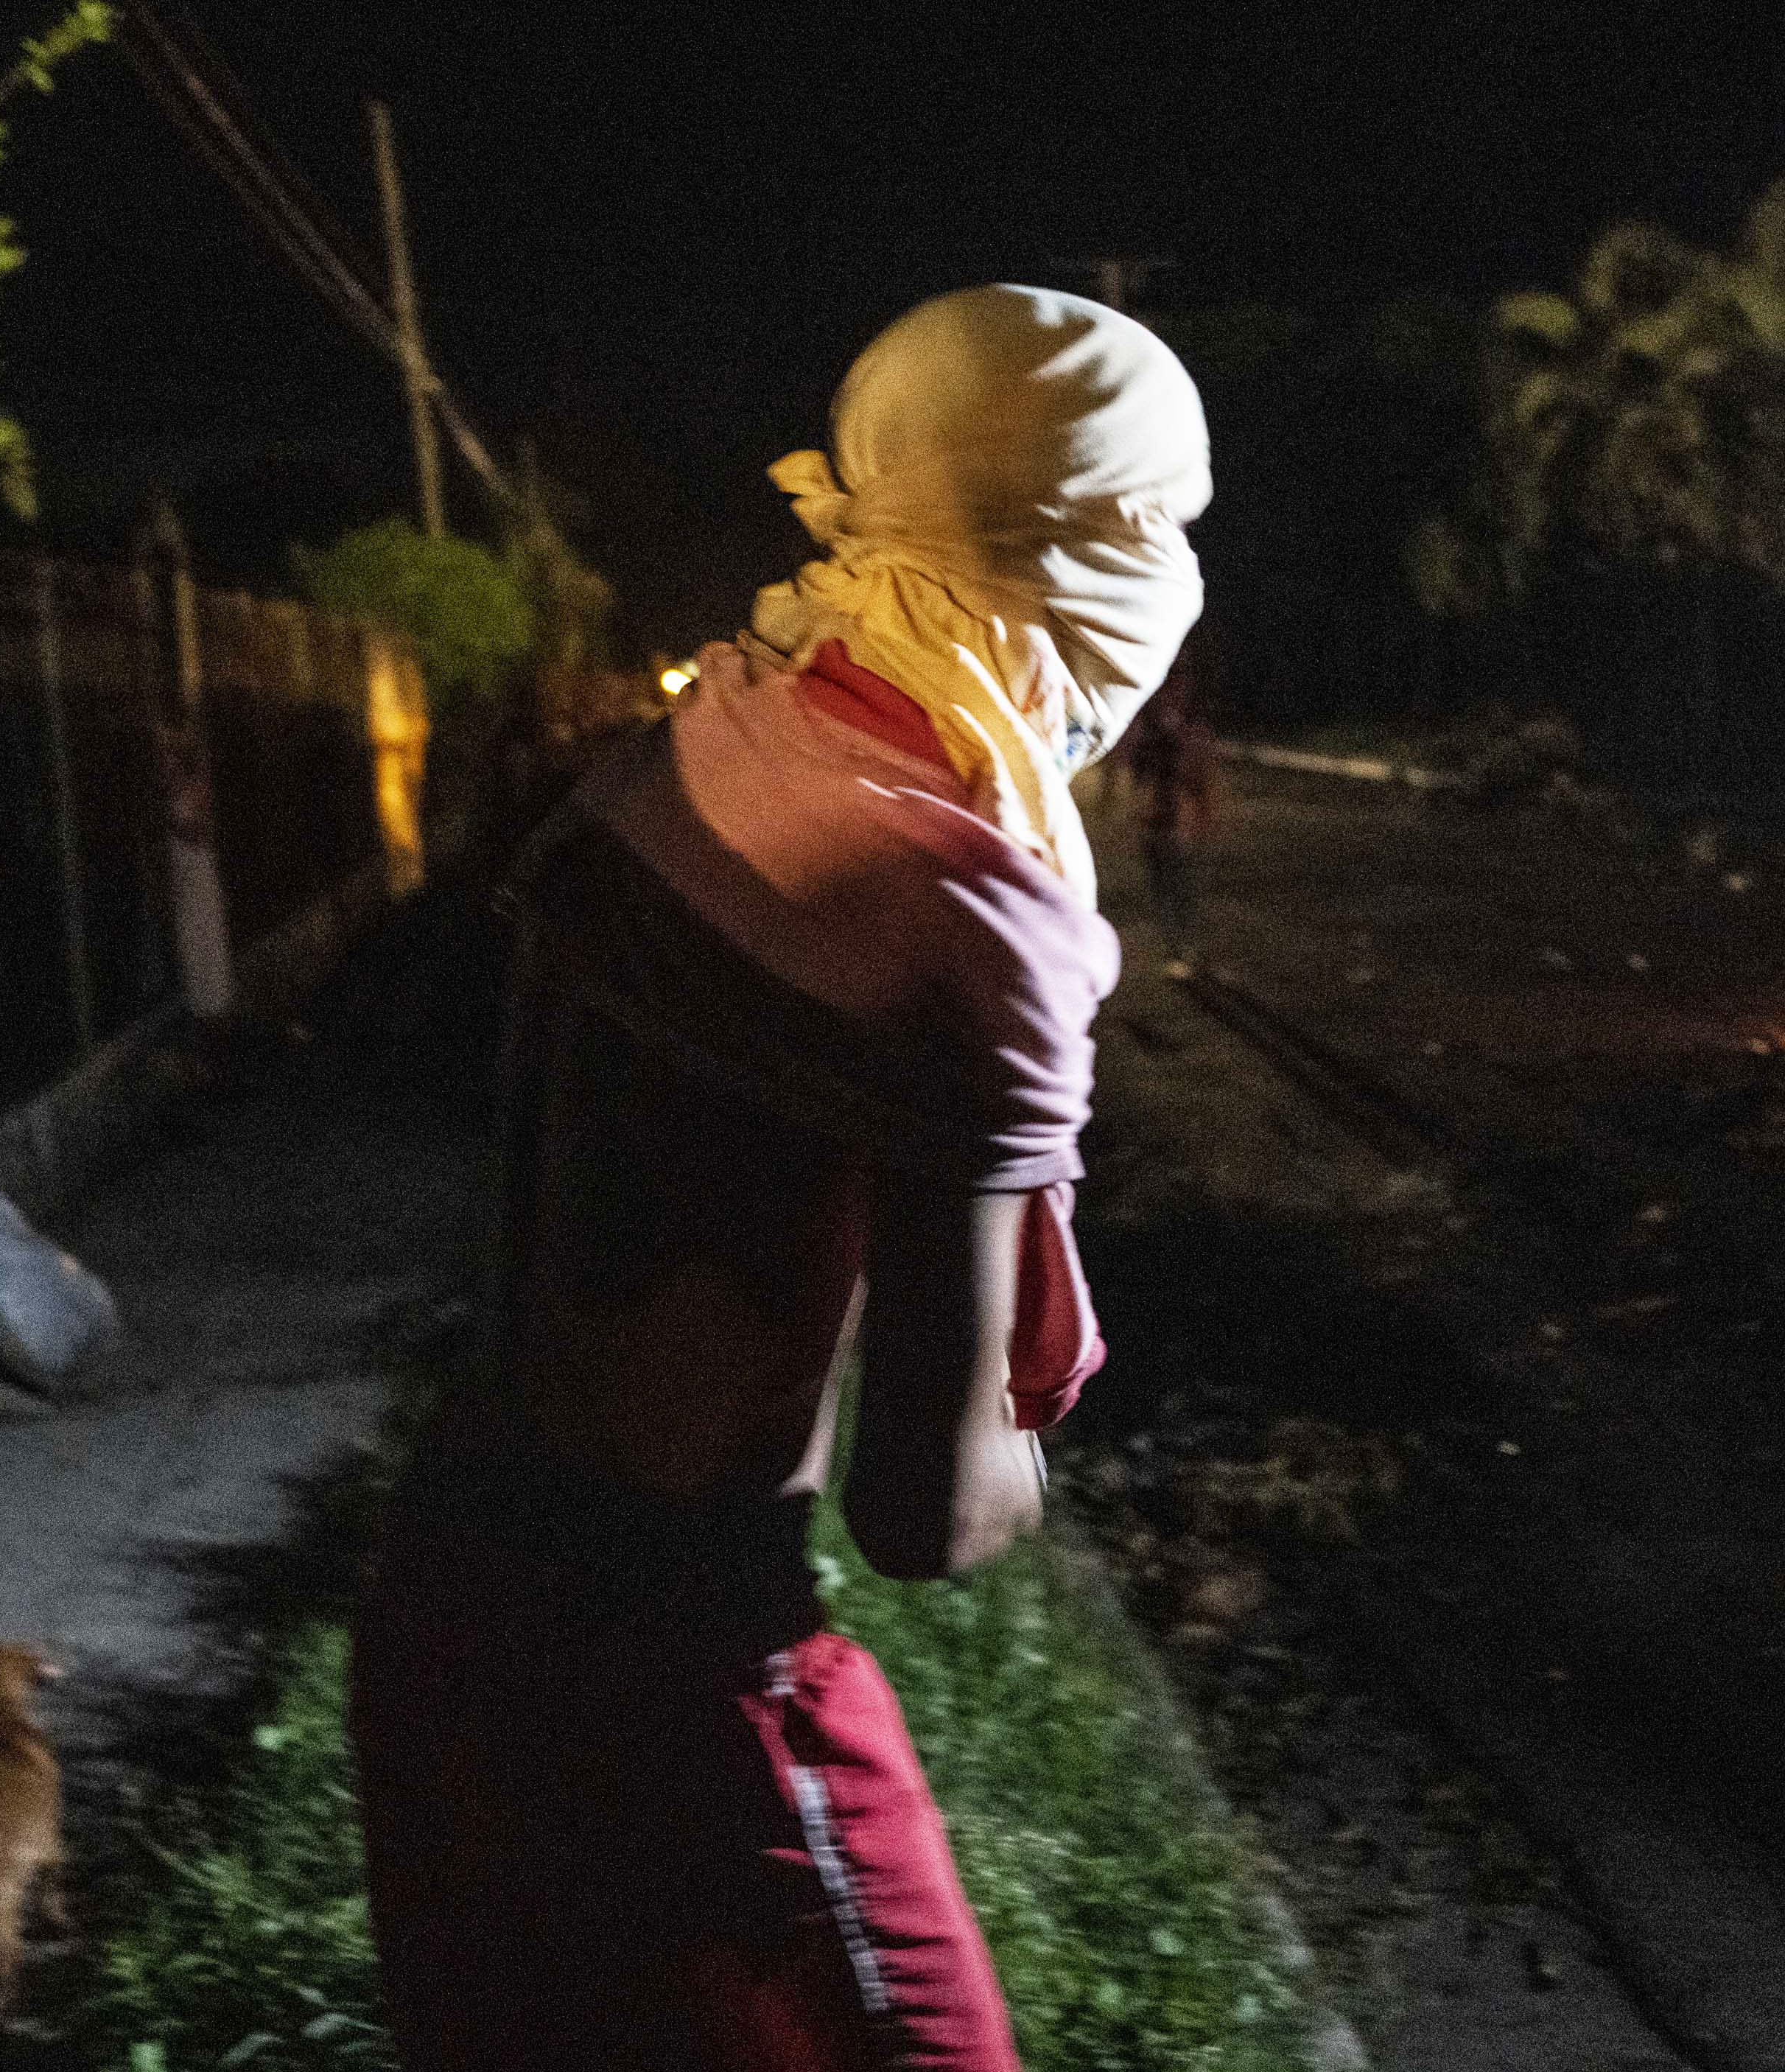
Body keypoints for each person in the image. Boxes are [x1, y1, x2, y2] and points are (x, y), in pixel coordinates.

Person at [352, 284, 1207, 2070]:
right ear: (1079, 543)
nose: (1178, 584)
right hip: (677, 1677)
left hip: (443, 1596)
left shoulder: (704, 732)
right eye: (1161, 528)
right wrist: (1024, 1435)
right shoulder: (966, 904)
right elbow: (928, 1509)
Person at [1120, 654, 1220, 970]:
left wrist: (1206, 812)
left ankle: (1185, 947)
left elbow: (1203, 771)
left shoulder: (1192, 725)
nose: (1176, 688)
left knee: (1183, 887)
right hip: (1154, 818)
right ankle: (1176, 947)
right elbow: (1131, 765)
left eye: (1180, 681)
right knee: (1164, 887)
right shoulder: (1147, 724)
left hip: (1181, 820)